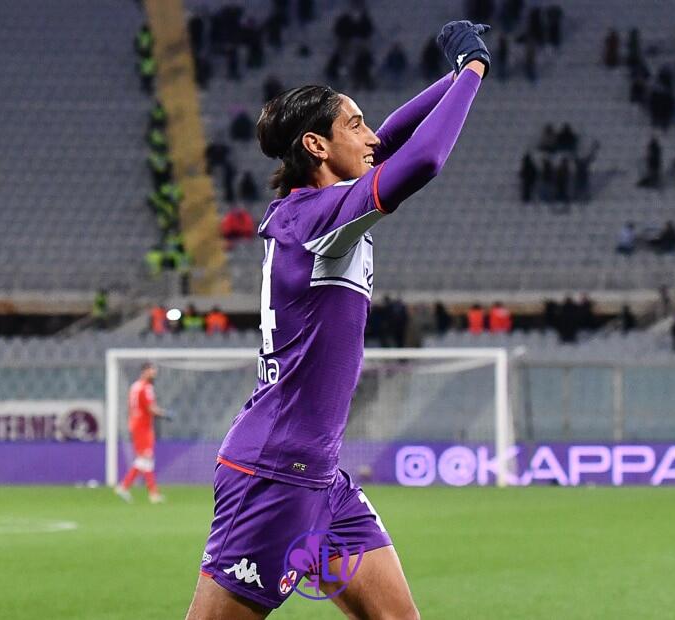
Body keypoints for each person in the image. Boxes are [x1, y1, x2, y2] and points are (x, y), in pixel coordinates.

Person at [187, 20, 489, 619]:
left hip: (320, 481)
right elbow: (422, 159)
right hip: (272, 476)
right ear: (316, 147)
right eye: (355, 124)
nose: (372, 137)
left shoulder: (315, 208)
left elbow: (392, 141)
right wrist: (474, 71)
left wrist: (453, 74)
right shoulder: (320, 218)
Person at [116, 363, 167, 504]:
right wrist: (165, 414)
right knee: (145, 458)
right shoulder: (147, 387)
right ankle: (125, 486)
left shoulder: (134, 386)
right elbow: (151, 408)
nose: (153, 374)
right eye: (151, 372)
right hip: (143, 426)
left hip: (136, 423)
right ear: (144, 371)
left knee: (146, 459)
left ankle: (151, 493)